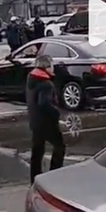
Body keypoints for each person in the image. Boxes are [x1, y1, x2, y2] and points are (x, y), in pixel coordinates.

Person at [27, 54, 65, 184]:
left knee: (37, 151)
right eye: (51, 66)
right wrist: (56, 114)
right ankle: (54, 175)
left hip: (35, 122)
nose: (53, 69)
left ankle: (34, 179)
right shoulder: (46, 84)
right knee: (59, 146)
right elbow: (44, 103)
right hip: (47, 123)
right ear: (46, 67)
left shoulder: (31, 79)